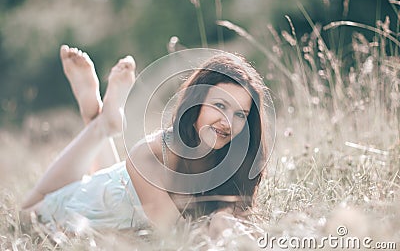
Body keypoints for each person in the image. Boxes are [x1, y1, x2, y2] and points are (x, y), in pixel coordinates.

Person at [21, 45, 270, 238]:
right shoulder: (148, 156)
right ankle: (99, 125)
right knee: (26, 212)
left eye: (240, 114)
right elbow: (178, 239)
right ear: (195, 103)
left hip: (120, 191)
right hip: (83, 205)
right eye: (219, 105)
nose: (228, 122)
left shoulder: (230, 163)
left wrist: (229, 222)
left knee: (119, 190)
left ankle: (99, 121)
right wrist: (218, 226)